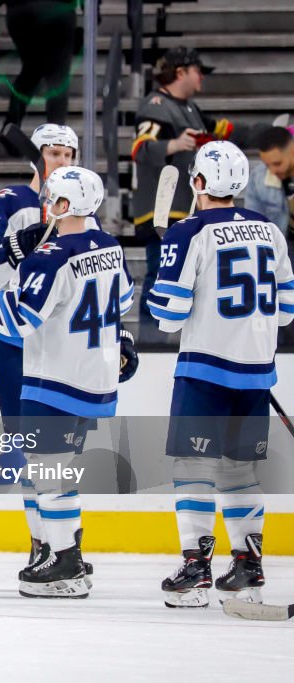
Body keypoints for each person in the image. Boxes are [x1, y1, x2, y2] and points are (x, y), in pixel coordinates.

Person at [0, 166, 137, 598]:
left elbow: (15, 321)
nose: (44, 206)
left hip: (55, 378)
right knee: (60, 472)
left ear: (65, 205)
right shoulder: (109, 246)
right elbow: (123, 299)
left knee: (47, 472)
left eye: (51, 199)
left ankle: (65, 562)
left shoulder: (49, 256)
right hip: (96, 380)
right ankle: (68, 553)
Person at [148, 141, 294, 608]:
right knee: (240, 471)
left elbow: (168, 316)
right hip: (256, 373)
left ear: (197, 183)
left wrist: (164, 275)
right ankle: (249, 567)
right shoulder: (270, 229)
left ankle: (196, 568)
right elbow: (287, 311)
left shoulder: (189, 231)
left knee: (193, 470)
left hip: (206, 370)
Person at [0, 123, 94, 574]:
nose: (63, 161)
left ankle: (66, 542)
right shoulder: (9, 202)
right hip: (12, 338)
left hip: (61, 345)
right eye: (54, 154)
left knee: (65, 452)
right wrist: (11, 248)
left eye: (69, 154)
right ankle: (43, 543)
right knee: (33, 448)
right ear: (37, 157)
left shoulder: (84, 208)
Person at [131, 47, 263, 337]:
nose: (202, 77)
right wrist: (174, 145)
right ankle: (150, 340)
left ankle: (171, 338)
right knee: (158, 275)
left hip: (191, 207)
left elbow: (225, 129)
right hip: (162, 210)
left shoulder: (191, 110)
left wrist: (268, 133)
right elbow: (139, 148)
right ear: (181, 72)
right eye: (198, 70)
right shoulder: (155, 105)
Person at [3, 0, 77, 128]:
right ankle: (55, 134)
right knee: (58, 75)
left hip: (21, 11)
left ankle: (11, 125)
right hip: (57, 9)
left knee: (31, 69)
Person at [244, 126, 294, 238]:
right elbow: (253, 224)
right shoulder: (258, 177)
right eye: (267, 165)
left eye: (277, 163)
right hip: (278, 247)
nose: (272, 171)